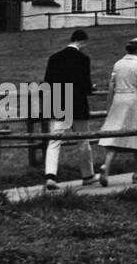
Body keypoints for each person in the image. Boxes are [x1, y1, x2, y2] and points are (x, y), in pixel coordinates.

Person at [42, 29, 99, 191]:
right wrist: (91, 87)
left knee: (54, 141)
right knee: (83, 141)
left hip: (59, 104)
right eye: (85, 44)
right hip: (77, 105)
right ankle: (87, 175)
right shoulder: (83, 59)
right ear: (82, 42)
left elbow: (47, 83)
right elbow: (85, 85)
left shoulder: (54, 58)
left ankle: (50, 176)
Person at [98, 39, 137, 185]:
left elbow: (111, 86)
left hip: (118, 100)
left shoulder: (118, 64)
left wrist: (109, 106)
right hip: (134, 102)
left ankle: (106, 166)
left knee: (115, 134)